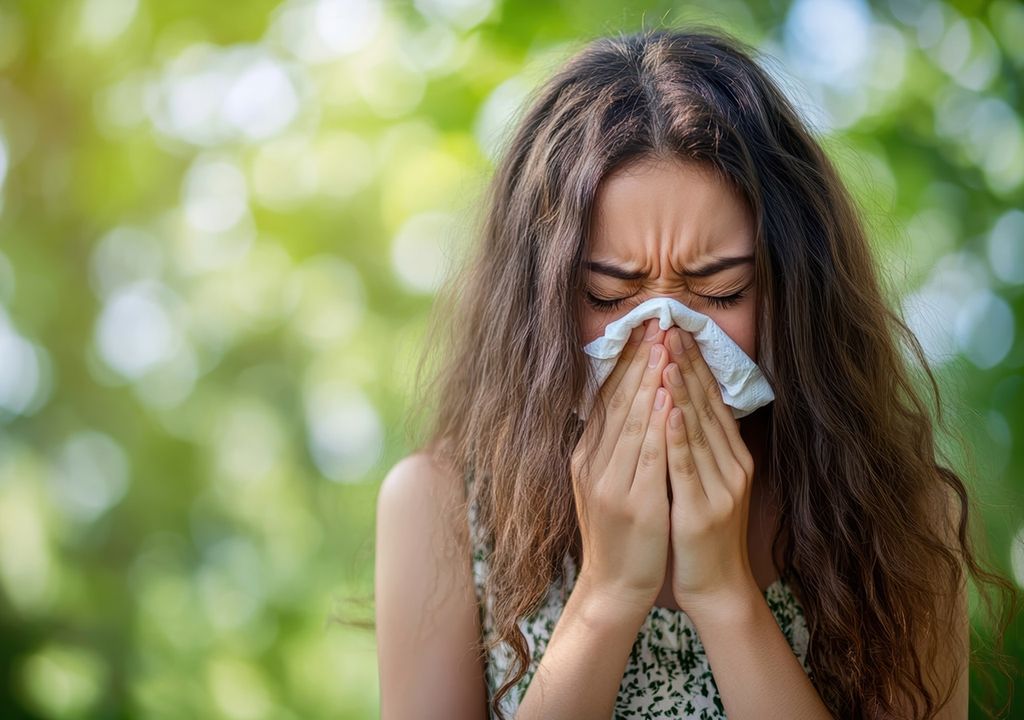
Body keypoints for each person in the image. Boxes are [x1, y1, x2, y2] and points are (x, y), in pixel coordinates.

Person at [374, 25, 1018, 720]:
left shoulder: (898, 515)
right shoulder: (440, 510)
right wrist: (607, 596)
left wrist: (725, 595)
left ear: (791, 293)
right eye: (609, 298)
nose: (663, 341)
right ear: (540, 305)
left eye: (720, 292)